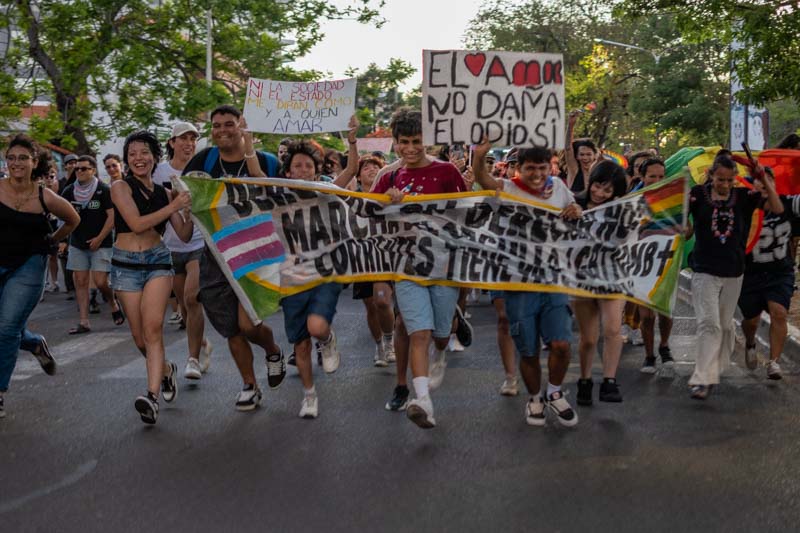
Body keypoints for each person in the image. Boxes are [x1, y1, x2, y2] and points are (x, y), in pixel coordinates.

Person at [473, 136, 582, 427]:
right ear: (518, 168)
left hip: (553, 280)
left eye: (543, 168)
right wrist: (479, 155)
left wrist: (576, 211)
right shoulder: (507, 189)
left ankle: (555, 392)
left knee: (561, 344)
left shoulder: (558, 187)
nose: (537, 174)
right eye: (531, 168)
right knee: (529, 350)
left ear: (550, 167)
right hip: (518, 283)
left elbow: (575, 212)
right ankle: (534, 397)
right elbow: (483, 179)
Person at [183, 104, 285, 412]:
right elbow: (189, 197)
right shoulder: (203, 160)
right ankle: (250, 386)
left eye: (229, 124)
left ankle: (272, 350)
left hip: (257, 253)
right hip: (216, 253)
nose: (223, 130)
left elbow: (278, 199)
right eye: (216, 125)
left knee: (248, 323)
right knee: (230, 327)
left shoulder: (266, 161)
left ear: (242, 126)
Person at [371, 107, 466, 429]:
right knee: (418, 332)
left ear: (428, 141)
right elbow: (366, 214)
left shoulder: (447, 172)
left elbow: (466, 211)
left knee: (440, 334)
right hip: (406, 268)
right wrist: (386, 202)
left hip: (443, 267)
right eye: (403, 142)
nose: (409, 149)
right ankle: (421, 399)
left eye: (416, 142)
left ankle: (444, 347)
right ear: (395, 142)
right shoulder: (388, 176)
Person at [111, 130, 195, 424]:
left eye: (144, 152)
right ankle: (166, 371)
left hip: (159, 261)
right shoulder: (120, 187)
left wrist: (190, 209)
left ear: (155, 157)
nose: (138, 158)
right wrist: (173, 206)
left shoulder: (166, 192)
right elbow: (134, 224)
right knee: (139, 337)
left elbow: (183, 236)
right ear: (126, 160)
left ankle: (151, 396)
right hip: (125, 265)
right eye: (132, 153)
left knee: (153, 329)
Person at [686, 152, 782, 399]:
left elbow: (777, 206)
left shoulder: (745, 197)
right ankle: (702, 379)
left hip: (734, 271)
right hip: (704, 269)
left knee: (725, 324)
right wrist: (680, 229)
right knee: (710, 324)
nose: (725, 185)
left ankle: (714, 368)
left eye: (730, 180)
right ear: (711, 175)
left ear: (736, 179)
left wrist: (764, 179)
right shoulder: (697, 194)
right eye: (720, 179)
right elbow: (686, 230)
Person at [1, 134, 80, 418]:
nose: (16, 163)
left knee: (6, 328)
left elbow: (73, 220)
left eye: (23, 158)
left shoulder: (45, 196)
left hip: (29, 266)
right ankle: (34, 343)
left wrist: (54, 240)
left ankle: (0, 392)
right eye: (11, 158)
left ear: (35, 162)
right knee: (6, 328)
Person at [280, 140, 345, 419]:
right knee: (301, 344)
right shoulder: (276, 196)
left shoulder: (327, 192)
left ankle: (328, 339)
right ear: (288, 172)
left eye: (309, 165)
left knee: (316, 327)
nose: (303, 170)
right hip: (292, 278)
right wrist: (248, 140)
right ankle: (309, 394)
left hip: (324, 274)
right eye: (297, 165)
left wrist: (352, 141)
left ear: (317, 172)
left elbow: (351, 170)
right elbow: (255, 170)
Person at [152, 122, 213, 380]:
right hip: (171, 245)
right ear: (172, 142)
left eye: (193, 138)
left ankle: (193, 360)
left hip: (198, 242)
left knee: (192, 297)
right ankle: (202, 342)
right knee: (184, 308)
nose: (189, 143)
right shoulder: (159, 172)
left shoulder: (203, 169)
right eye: (183, 138)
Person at [572, 161, 628, 406]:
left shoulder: (624, 211)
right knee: (588, 339)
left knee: (614, 330)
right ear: (591, 181)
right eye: (598, 186)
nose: (600, 194)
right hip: (582, 280)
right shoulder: (574, 204)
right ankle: (584, 379)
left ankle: (609, 381)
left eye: (608, 191)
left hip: (614, 277)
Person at [739, 170, 800, 380]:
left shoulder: (789, 204)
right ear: (753, 185)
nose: (765, 185)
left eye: (769, 181)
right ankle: (750, 342)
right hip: (751, 274)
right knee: (751, 321)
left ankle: (774, 362)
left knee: (779, 312)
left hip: (780, 272)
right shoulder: (745, 206)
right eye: (760, 181)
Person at [61, 155, 123, 334]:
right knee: (80, 281)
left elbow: (112, 217)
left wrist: (99, 238)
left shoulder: (103, 190)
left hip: (101, 243)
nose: (79, 171)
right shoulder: (69, 191)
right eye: (77, 168)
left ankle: (113, 303)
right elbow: (64, 218)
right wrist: (64, 240)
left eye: (84, 168)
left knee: (101, 281)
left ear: (93, 171)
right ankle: (84, 321)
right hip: (78, 243)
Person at [631, 158, 676, 375]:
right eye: (652, 177)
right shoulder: (632, 200)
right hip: (641, 262)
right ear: (642, 177)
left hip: (667, 260)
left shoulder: (674, 198)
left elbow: (687, 228)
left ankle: (664, 346)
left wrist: (687, 230)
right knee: (647, 315)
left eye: (661, 176)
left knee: (665, 311)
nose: (657, 180)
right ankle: (650, 356)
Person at [565, 110, 599, 193]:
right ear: (577, 156)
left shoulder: (599, 173)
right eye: (582, 154)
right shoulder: (574, 170)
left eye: (588, 154)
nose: (585, 158)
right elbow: (568, 148)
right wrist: (570, 125)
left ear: (594, 156)